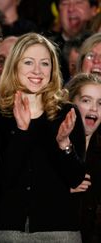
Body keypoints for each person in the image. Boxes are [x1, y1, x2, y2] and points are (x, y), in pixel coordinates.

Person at [0, 32, 87, 242]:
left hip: (60, 231)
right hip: (9, 231)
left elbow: (76, 178)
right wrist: (22, 133)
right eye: (29, 62)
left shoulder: (67, 113)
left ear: (52, 70)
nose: (37, 71)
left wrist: (64, 144)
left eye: (44, 64)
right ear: (15, 66)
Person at [65, 73, 101, 243]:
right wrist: (61, 190)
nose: (94, 109)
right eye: (86, 100)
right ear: (71, 103)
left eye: (100, 103)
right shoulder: (52, 144)